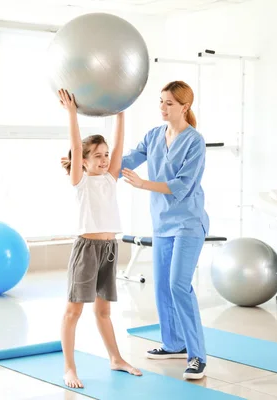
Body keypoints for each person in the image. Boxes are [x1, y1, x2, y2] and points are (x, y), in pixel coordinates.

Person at [121, 80, 209, 380]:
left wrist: (144, 184)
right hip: (162, 224)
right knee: (161, 288)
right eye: (160, 101)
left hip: (188, 223)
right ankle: (173, 343)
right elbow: (128, 160)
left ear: (185, 107)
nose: (162, 107)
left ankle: (197, 355)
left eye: (169, 103)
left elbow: (183, 186)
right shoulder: (155, 136)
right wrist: (91, 161)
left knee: (178, 285)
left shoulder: (194, 141)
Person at [57, 88, 142, 389]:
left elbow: (119, 145)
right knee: (73, 310)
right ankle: (69, 367)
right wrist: (71, 113)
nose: (105, 160)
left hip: (109, 249)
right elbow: (75, 147)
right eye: (98, 156)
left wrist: (120, 112)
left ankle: (116, 358)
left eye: (106, 156)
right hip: (87, 249)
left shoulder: (110, 178)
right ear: (84, 161)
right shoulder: (80, 181)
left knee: (104, 310)